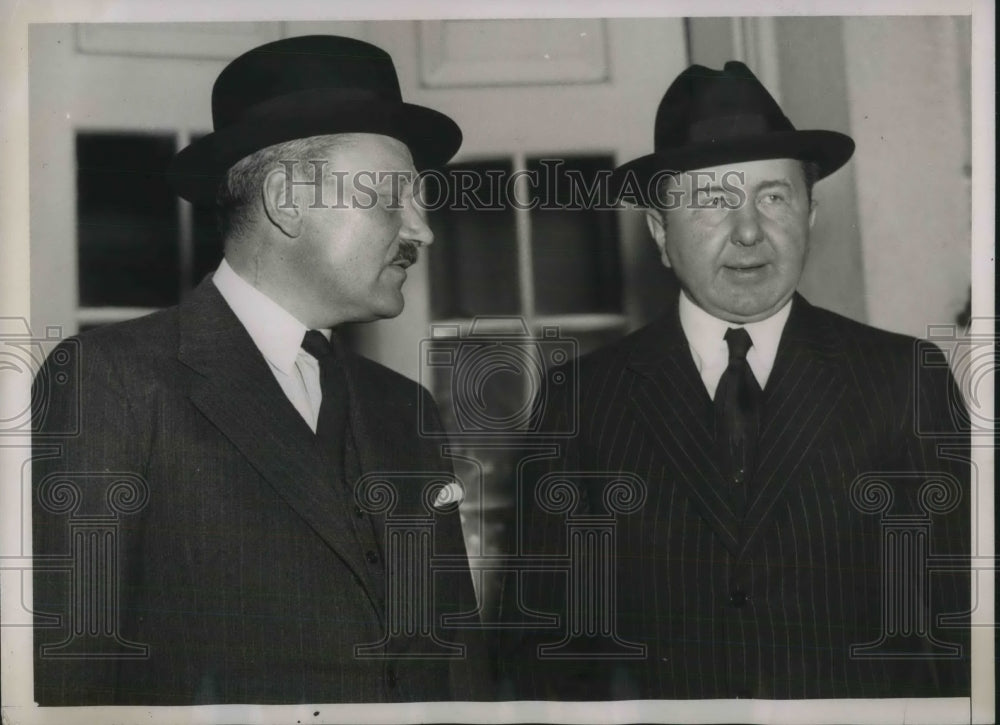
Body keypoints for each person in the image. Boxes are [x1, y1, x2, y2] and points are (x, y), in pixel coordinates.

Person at [32, 35, 488, 704]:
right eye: (392, 198)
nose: (422, 231)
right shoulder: (109, 380)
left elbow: (458, 665)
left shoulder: (406, 408)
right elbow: (70, 677)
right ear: (285, 198)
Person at [498, 61, 970, 700]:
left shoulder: (904, 379)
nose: (750, 231)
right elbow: (540, 656)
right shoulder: (581, 401)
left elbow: (963, 631)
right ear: (660, 231)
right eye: (712, 200)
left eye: (773, 197)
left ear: (810, 212)